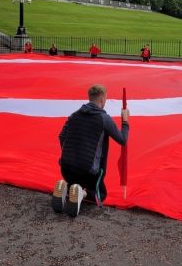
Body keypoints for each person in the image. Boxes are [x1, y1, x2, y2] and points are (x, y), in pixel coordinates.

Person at [54, 84, 129, 217]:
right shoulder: (103, 118)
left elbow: (61, 136)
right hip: (87, 172)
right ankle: (82, 193)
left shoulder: (74, 115)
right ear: (102, 100)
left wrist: (69, 154)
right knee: (101, 193)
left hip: (66, 168)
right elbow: (122, 139)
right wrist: (125, 121)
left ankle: (65, 185)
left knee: (74, 182)